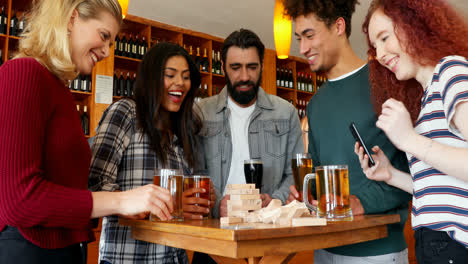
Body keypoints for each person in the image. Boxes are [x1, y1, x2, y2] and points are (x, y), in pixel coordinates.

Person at [0, 1, 177, 264]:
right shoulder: (23, 73)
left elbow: (65, 192)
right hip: (30, 251)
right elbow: (19, 200)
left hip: (67, 250)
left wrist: (130, 207)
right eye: (104, 35)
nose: (106, 51)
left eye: (111, 42)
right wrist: (120, 201)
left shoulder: (60, 91)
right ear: (72, 18)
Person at [283, 0, 412, 263]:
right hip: (324, 249)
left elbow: (418, 176)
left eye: (309, 35)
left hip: (378, 252)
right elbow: (317, 174)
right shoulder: (316, 104)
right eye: (299, 38)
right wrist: (306, 195)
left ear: (338, 26)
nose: (303, 47)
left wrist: (359, 202)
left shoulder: (387, 82)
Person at [356, 0, 468, 262]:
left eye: (385, 38)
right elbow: (440, 187)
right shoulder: (426, 97)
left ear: (413, 25)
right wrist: (391, 175)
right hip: (435, 244)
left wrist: (409, 140)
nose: (381, 54)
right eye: (376, 46)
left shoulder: (451, 71)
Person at [88, 42, 215, 264]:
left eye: (186, 77)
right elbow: (95, 184)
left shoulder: (183, 131)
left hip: (175, 258)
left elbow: (179, 210)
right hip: (127, 258)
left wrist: (197, 202)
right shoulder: (126, 112)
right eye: (170, 75)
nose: (180, 83)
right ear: (151, 78)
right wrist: (169, 205)